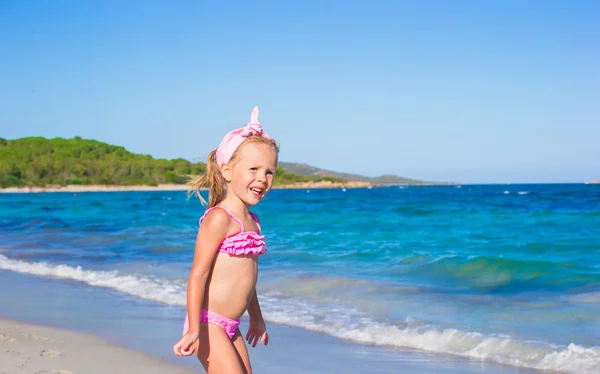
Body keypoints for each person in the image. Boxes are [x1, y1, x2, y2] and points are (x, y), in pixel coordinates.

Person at [173, 106, 278, 373]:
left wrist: (256, 318)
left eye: (269, 172)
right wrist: (194, 328)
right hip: (208, 323)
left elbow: (248, 279)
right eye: (253, 169)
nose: (262, 179)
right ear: (227, 170)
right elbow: (198, 274)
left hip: (232, 326)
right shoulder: (220, 218)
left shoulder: (252, 222)